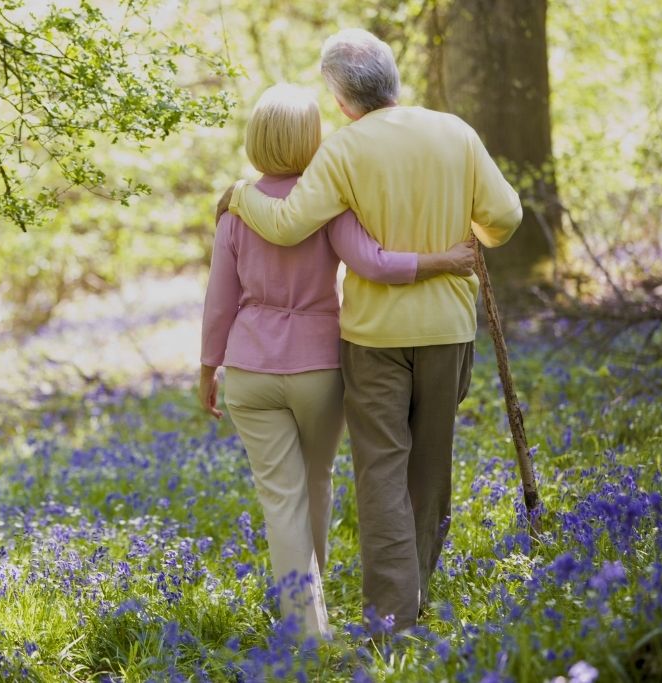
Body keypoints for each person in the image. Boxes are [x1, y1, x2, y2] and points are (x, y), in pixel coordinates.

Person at [217, 30, 523, 633]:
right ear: (394, 80)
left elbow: (284, 225)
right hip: (446, 329)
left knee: (381, 470)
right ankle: (418, 597)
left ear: (339, 99)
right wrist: (467, 239)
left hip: (374, 336)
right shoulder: (454, 132)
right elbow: (506, 218)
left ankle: (391, 620)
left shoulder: (343, 151)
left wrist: (236, 197)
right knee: (431, 468)